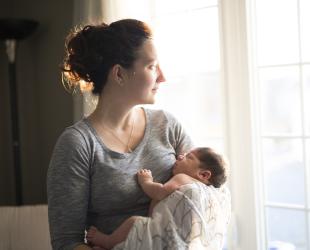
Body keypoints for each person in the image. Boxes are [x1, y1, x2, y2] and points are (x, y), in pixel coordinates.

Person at [47, 19, 194, 250]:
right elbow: (67, 242)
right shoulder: (78, 145)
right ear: (119, 74)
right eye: (152, 66)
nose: (162, 77)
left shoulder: (168, 125)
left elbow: (203, 192)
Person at [86, 147, 228, 250]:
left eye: (188, 157)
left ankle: (107, 241)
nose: (180, 156)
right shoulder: (210, 194)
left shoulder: (185, 179)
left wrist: (146, 181)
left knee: (135, 223)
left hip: (169, 237)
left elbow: (159, 193)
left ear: (203, 175)